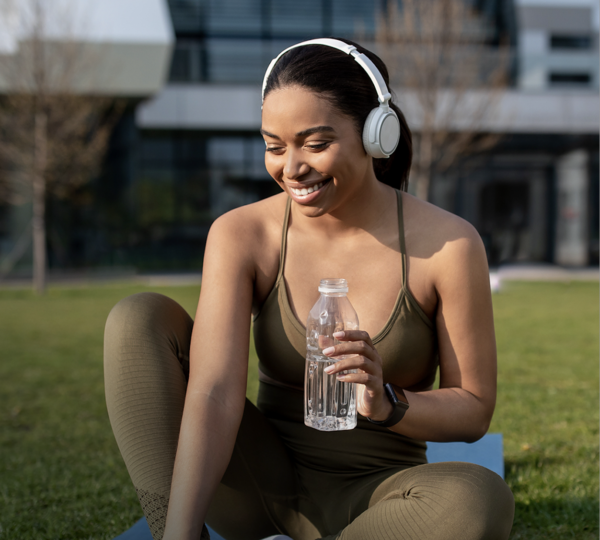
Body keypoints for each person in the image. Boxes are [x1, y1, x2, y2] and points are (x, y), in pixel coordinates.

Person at [104, 38, 515, 540]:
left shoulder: (449, 245)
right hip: (259, 487)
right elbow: (212, 392)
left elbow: (473, 408)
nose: (291, 168)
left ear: (375, 133)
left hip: (383, 497)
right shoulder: (242, 234)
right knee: (138, 319)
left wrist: (387, 402)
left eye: (316, 144)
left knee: (479, 496)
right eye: (273, 146)